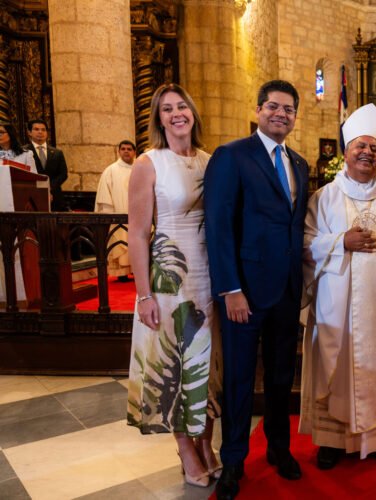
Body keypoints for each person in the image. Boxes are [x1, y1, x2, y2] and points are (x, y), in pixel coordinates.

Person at [300, 103, 376, 469]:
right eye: (360, 146)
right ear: (345, 152)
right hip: (337, 306)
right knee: (335, 366)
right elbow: (306, 246)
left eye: (373, 147)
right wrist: (341, 242)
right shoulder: (324, 197)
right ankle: (332, 442)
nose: (367, 153)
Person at [204, 80, 309, 500]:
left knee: (282, 377)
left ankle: (279, 449)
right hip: (243, 292)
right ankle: (233, 461)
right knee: (240, 379)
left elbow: (294, 227)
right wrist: (230, 288)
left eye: (288, 109)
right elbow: (218, 225)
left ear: (295, 116)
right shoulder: (232, 156)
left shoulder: (298, 163)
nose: (280, 113)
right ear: (259, 109)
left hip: (285, 290)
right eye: (273, 106)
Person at [126, 83, 222, 489]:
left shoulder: (210, 160)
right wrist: (144, 293)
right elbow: (136, 234)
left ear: (193, 112)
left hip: (210, 274)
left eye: (182, 106)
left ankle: (206, 441)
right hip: (169, 279)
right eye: (167, 109)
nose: (177, 114)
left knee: (208, 364)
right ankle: (185, 447)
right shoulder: (149, 163)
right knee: (177, 364)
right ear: (158, 118)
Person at [95, 140, 137, 281]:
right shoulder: (111, 170)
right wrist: (109, 214)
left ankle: (138, 271)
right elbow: (104, 194)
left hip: (138, 215)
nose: (126, 151)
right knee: (120, 241)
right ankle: (122, 273)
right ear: (119, 152)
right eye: (123, 149)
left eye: (129, 149)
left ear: (134, 152)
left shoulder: (140, 168)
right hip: (119, 214)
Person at [23, 118, 68, 211]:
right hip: (31, 195)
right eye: (36, 129)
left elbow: (63, 174)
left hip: (54, 196)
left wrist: (48, 188)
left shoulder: (57, 152)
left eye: (43, 130)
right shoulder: (23, 151)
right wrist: (40, 190)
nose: (40, 132)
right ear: (29, 132)